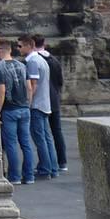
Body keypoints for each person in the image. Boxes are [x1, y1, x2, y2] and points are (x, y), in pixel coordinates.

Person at [0, 39, 35, 185]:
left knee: (11, 144)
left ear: (1, 50)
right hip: (24, 107)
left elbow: (1, 90)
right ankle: (29, 176)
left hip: (10, 109)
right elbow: (29, 87)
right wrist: (28, 103)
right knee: (26, 143)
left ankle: (14, 176)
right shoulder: (22, 65)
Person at [19, 35, 58, 180]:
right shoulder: (41, 60)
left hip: (36, 104)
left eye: (20, 46)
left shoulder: (33, 61)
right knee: (46, 138)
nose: (19, 49)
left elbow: (33, 85)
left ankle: (45, 168)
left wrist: (27, 102)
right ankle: (52, 167)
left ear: (29, 46)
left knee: (39, 138)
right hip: (44, 102)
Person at [34, 35, 67, 173]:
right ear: (44, 43)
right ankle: (62, 161)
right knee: (56, 132)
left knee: (42, 135)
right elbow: (60, 81)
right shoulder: (54, 60)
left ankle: (46, 163)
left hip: (41, 99)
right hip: (54, 98)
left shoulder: (34, 60)